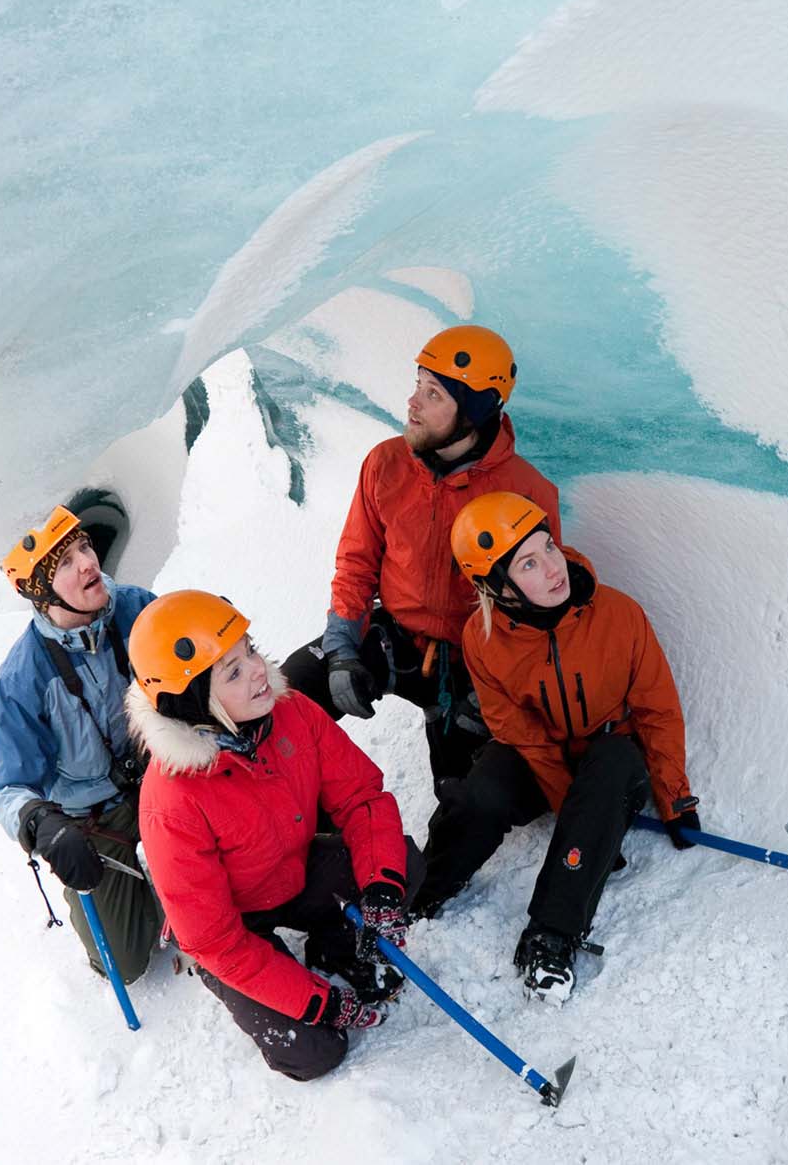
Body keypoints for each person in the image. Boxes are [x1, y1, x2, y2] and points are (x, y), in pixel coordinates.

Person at [416, 492, 701, 1002]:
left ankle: (553, 935)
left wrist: (674, 797)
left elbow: (658, 711)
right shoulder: (483, 639)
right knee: (482, 789)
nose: (553, 568)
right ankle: (417, 894)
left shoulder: (619, 615)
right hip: (542, 752)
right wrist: (572, 807)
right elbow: (517, 730)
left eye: (548, 547)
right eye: (528, 562)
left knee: (616, 762)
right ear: (495, 587)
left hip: (610, 752)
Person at [127, 590, 423, 1081]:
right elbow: (216, 941)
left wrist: (382, 891)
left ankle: (335, 948)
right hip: (233, 928)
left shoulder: (293, 713)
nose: (259, 669)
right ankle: (283, 983)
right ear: (194, 699)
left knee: (400, 867)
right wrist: (317, 1002)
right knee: (313, 1051)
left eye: (250, 650)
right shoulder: (171, 802)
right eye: (233, 672)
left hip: (295, 872)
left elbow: (362, 798)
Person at [283, 325, 561, 792]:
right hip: (394, 637)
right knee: (287, 697)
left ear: (473, 411)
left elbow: (538, 610)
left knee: (461, 794)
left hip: (472, 662)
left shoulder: (526, 492)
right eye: (417, 385)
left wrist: (492, 693)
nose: (412, 403)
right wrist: (341, 649)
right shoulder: (386, 463)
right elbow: (356, 564)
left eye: (433, 394)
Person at [0, 505, 164, 982]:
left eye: (84, 547)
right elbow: (6, 789)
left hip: (165, 778)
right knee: (124, 964)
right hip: (98, 821)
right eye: (64, 562)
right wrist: (40, 822)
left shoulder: (136, 607)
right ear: (40, 593)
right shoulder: (23, 678)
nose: (89, 562)